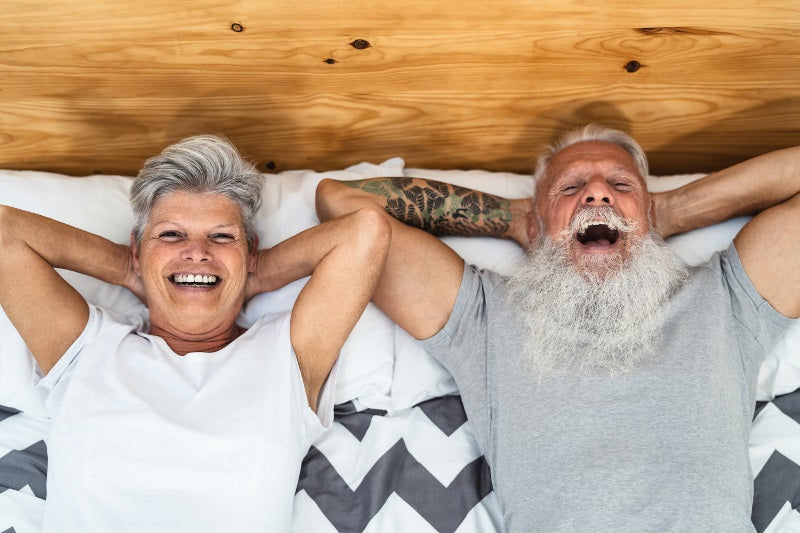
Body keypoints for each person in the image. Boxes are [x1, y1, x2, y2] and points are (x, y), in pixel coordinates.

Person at [315, 124, 800, 532]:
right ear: (534, 227)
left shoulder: (727, 298)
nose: (596, 193)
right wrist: (515, 218)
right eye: (569, 189)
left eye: (621, 185)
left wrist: (668, 210)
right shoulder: (484, 316)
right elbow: (342, 205)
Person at [0, 135, 391, 532]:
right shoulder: (88, 348)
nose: (197, 251)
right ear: (137, 248)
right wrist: (125, 266)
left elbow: (365, 231)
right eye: (171, 235)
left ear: (251, 250)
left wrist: (254, 274)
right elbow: (4, 230)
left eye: (222, 237)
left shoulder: (288, 356)